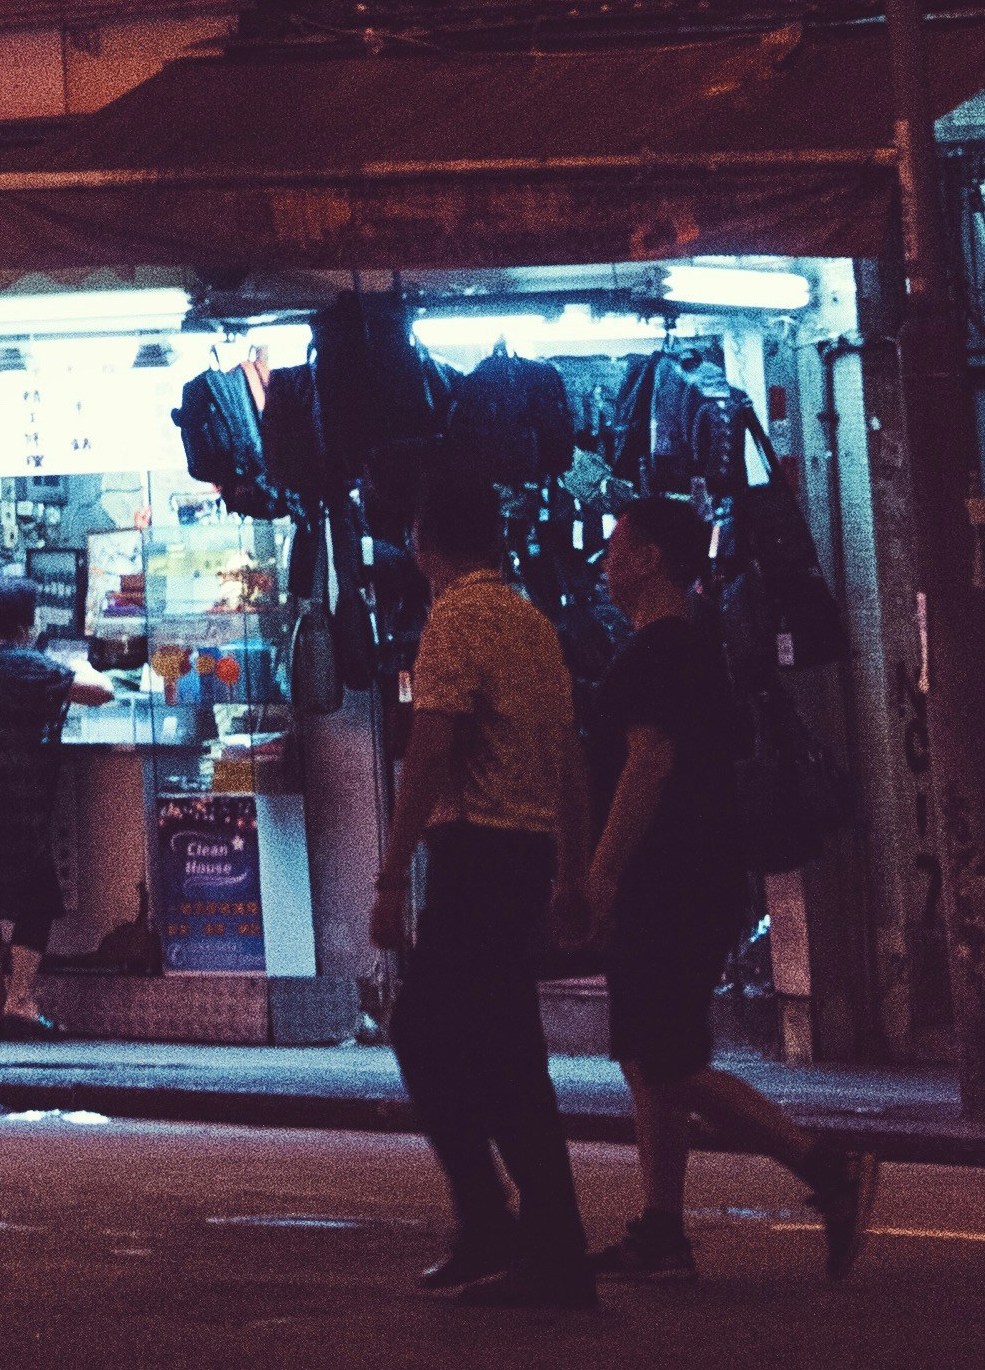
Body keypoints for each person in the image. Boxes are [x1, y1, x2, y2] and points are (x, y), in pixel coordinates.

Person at [556, 490, 876, 1284]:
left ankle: (824, 1166)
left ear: (648, 558)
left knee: (663, 1060)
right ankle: (661, 1231)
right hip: (694, 879)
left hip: (669, 882)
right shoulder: (692, 646)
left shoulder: (656, 652)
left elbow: (648, 764)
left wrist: (599, 874)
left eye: (615, 546)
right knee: (649, 1056)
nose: (603, 561)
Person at [373, 468, 596, 1310]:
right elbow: (568, 756)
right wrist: (570, 870)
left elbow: (430, 750)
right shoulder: (531, 621)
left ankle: (494, 1222)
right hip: (525, 855)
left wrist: (391, 879)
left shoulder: (456, 617)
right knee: (507, 1052)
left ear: (423, 543)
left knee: (425, 1035)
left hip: (473, 854)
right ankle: (544, 1244)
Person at [0, 573, 114, 1032]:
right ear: (29, 622)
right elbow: (102, 692)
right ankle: (22, 1000)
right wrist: (77, 662)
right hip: (18, 806)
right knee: (35, 901)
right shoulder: (37, 668)